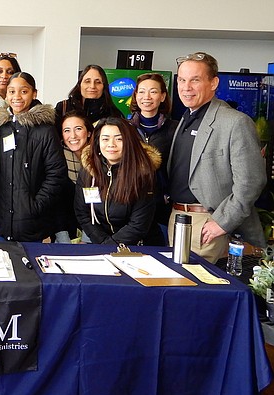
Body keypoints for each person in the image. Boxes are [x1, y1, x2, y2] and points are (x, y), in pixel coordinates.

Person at [167, 52, 266, 263]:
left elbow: (251, 182)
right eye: (182, 80)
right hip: (178, 220)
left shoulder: (235, 122)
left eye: (195, 80)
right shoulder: (185, 119)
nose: (186, 87)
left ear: (214, 83)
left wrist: (221, 223)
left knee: (199, 294)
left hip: (209, 224)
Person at [0, 72, 68, 242]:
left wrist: (35, 206)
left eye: (23, 91)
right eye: (11, 91)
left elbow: (56, 174)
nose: (16, 97)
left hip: (31, 225)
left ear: (34, 93)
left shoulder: (46, 130)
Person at [74, 117, 164, 246]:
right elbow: (82, 213)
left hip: (140, 247)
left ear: (129, 142)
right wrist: (103, 243)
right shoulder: (88, 171)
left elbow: (138, 225)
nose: (111, 144)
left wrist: (109, 246)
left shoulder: (143, 172)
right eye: (105, 139)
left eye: (119, 138)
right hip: (101, 244)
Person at [129, 73, 178, 234]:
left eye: (153, 92)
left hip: (162, 208)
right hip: (130, 204)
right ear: (135, 96)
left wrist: (168, 194)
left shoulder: (175, 129)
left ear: (163, 96)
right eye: (141, 92)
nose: (147, 97)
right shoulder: (125, 129)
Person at [58, 111, 94, 241]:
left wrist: (87, 237)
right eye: (66, 130)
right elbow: (56, 204)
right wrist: (63, 238)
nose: (72, 135)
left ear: (89, 132)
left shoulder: (101, 160)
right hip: (64, 234)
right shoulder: (58, 160)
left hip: (96, 234)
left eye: (78, 129)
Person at [55, 64, 123, 129]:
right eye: (87, 81)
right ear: (79, 85)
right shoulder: (63, 108)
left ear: (104, 86)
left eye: (98, 82)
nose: (92, 86)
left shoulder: (114, 114)